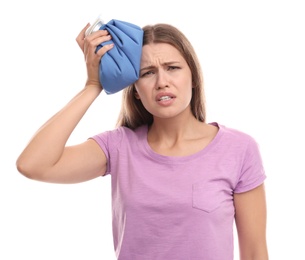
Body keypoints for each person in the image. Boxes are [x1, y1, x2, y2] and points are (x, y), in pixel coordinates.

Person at [16, 22, 269, 260]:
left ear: (193, 77)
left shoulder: (238, 149)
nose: (162, 82)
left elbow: (255, 252)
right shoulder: (118, 147)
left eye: (172, 68)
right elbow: (33, 164)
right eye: (147, 73)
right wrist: (93, 85)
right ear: (135, 89)